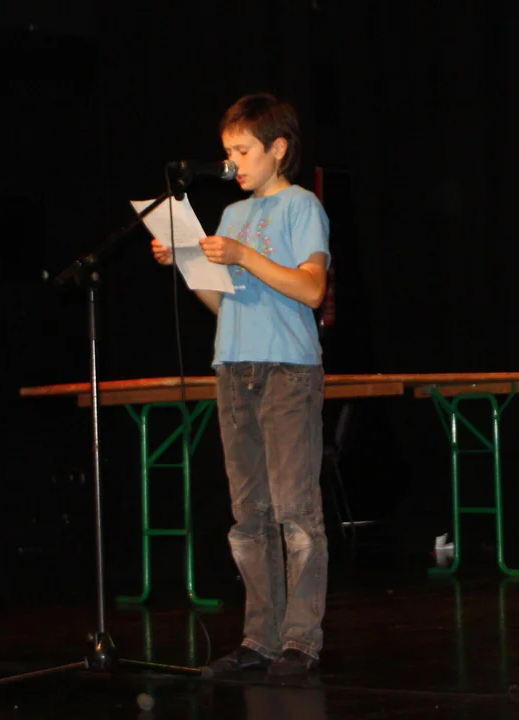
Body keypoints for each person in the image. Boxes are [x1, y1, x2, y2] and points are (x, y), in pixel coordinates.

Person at [150, 93, 331, 675]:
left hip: (286, 370)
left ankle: (301, 639)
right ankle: (260, 637)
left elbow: (311, 289)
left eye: (243, 151)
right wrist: (186, 263)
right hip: (233, 367)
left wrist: (243, 256)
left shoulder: (302, 206)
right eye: (227, 152)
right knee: (249, 513)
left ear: (278, 148)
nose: (233, 164)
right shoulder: (231, 216)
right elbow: (223, 302)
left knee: (295, 510)